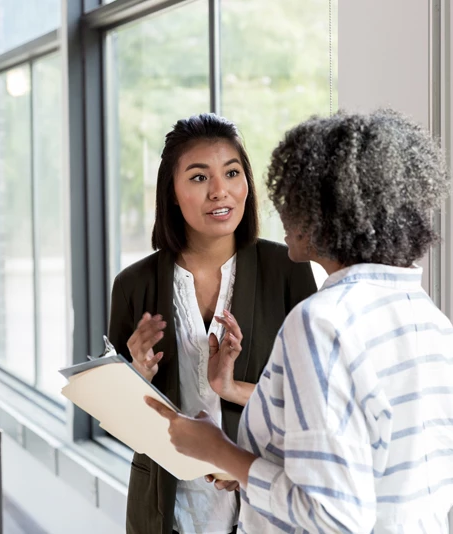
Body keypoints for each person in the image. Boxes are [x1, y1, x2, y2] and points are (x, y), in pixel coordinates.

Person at [146, 109, 453, 533]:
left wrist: (218, 450)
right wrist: (249, 462)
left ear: (329, 211)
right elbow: (372, 467)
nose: (281, 211)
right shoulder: (428, 318)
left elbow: (331, 516)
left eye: (293, 196)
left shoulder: (322, 323)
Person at [108, 113, 317, 534]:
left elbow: (312, 402)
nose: (220, 191)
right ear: (172, 193)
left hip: (262, 502)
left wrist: (232, 391)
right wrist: (136, 377)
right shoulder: (134, 285)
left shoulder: (287, 270)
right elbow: (118, 422)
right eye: (199, 178)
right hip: (168, 510)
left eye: (232, 173)